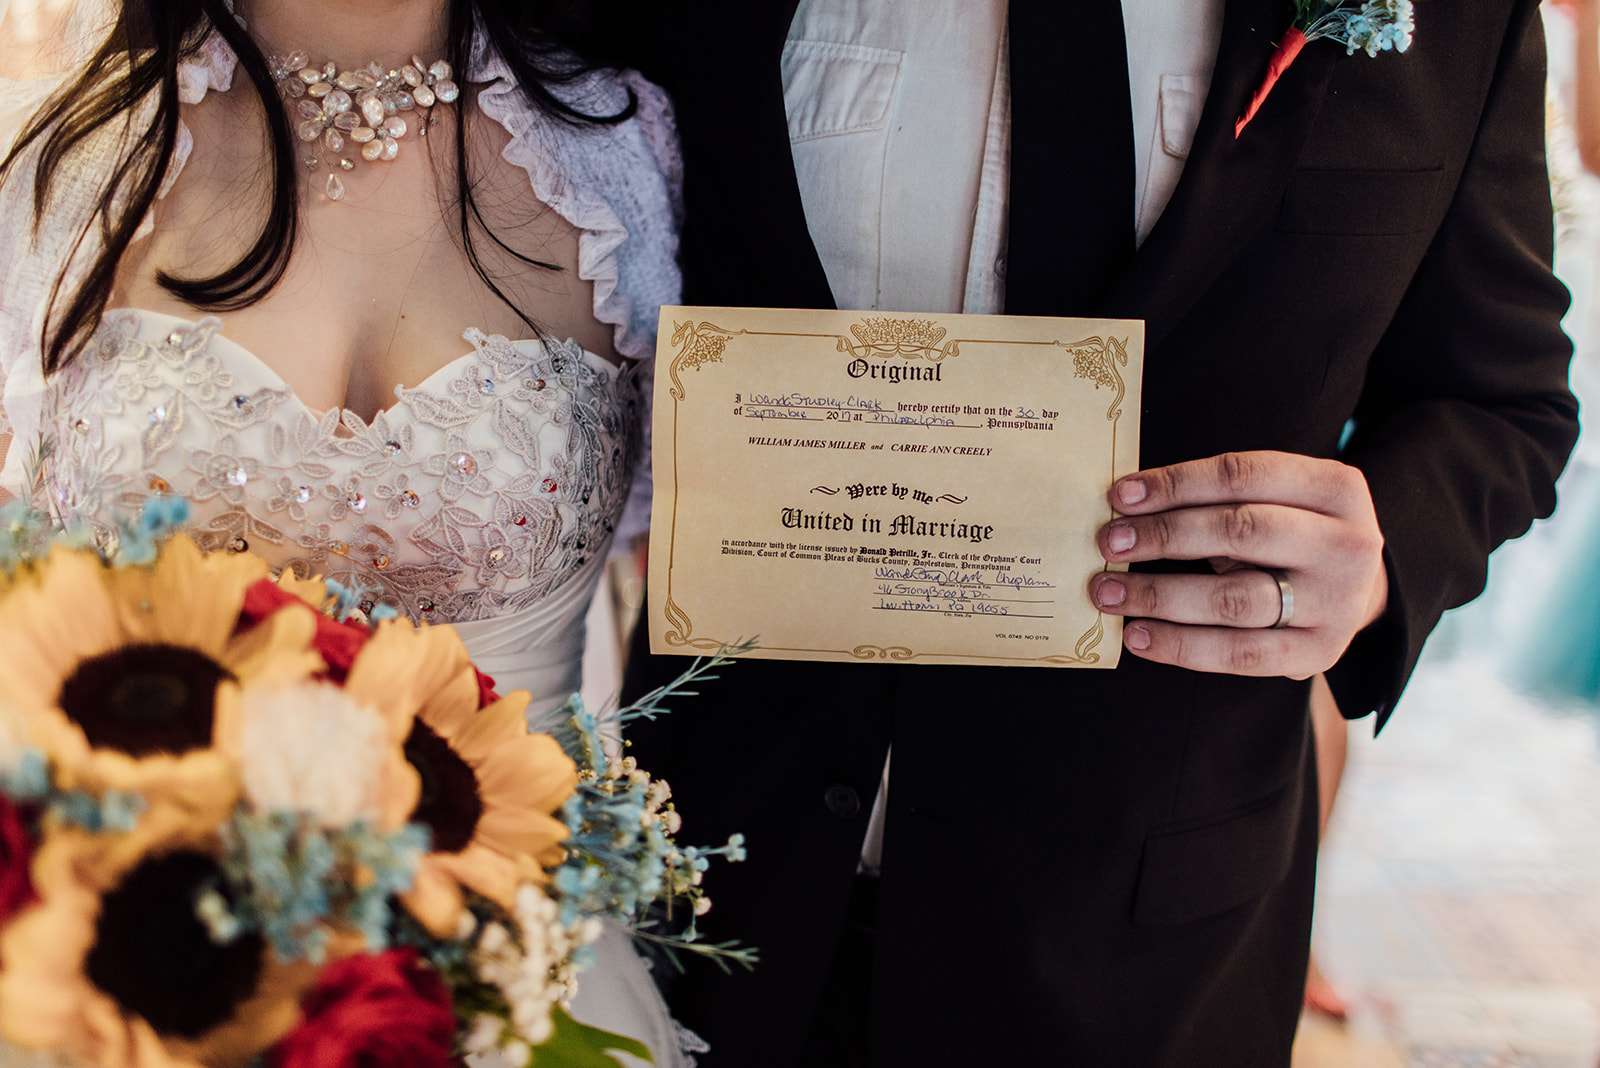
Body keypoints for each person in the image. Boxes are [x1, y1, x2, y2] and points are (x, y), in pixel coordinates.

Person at [620, 1, 1579, 1064]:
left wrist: (1385, 550)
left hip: (1143, 938)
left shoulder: (1457, 21)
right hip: (698, 871)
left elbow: (1502, 399)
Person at [0, 0, 695, 1062]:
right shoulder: (60, 152)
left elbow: (709, 571)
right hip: (126, 966)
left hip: (524, 976)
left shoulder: (628, 152)